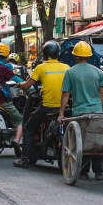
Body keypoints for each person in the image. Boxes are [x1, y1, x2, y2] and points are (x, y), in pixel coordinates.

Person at [14, 40, 69, 168]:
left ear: (44, 54)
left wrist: (19, 84)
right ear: (58, 54)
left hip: (46, 108)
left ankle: (25, 158)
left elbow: (27, 85)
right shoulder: (66, 67)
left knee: (28, 128)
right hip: (63, 108)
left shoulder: (40, 68)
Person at [59, 41, 103, 180]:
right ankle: (98, 172)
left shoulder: (70, 72)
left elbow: (66, 94)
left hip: (79, 113)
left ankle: (83, 171)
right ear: (89, 56)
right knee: (96, 140)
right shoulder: (98, 72)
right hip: (97, 112)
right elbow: (102, 95)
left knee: (82, 140)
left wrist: (61, 113)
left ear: (75, 57)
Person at [0, 43, 25, 148]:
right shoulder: (4, 69)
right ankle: (17, 140)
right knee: (19, 119)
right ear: (6, 56)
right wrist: (27, 85)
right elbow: (16, 79)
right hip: (1, 102)